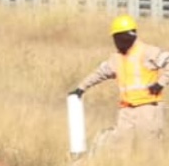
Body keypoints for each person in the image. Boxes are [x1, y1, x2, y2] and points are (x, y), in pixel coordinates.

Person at [71, 14, 169, 146]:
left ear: (128, 36)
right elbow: (99, 73)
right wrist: (81, 88)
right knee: (122, 149)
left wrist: (160, 84)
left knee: (149, 150)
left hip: (148, 109)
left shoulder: (148, 51)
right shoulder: (115, 58)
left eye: (117, 37)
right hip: (126, 112)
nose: (116, 41)